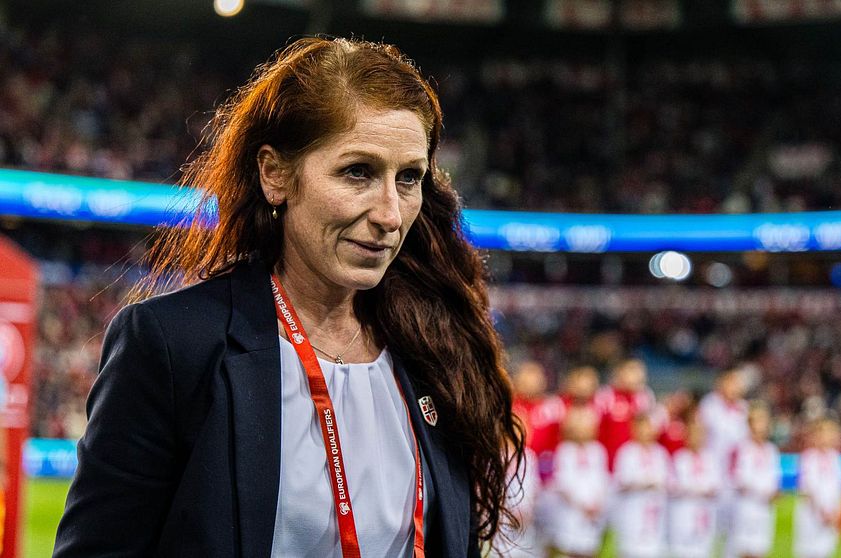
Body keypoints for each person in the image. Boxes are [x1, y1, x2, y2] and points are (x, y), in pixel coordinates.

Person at [53, 37, 524, 557]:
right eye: (358, 172)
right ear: (275, 175)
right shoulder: (173, 346)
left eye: (408, 178)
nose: (390, 214)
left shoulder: (436, 351)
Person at [698, 365, 749, 551]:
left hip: (734, 478)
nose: (736, 387)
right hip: (713, 473)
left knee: (733, 531)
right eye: (732, 382)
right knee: (708, 528)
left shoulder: (743, 409)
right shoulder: (709, 406)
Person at [548, 406, 609, 558]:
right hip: (571, 509)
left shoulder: (598, 451)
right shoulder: (564, 451)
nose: (583, 431)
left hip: (593, 510)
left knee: (589, 548)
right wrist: (581, 505)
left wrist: (596, 503)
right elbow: (563, 482)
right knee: (568, 548)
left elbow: (601, 479)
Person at [612, 412, 671, 558]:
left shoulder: (660, 453)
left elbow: (670, 481)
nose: (646, 432)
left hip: (655, 515)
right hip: (633, 514)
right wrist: (642, 484)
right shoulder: (627, 452)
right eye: (641, 428)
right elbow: (621, 481)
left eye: (649, 427)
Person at [728, 402, 780, 558]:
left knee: (761, 549)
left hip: (765, 508)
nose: (762, 426)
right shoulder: (742, 448)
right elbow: (738, 479)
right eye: (758, 421)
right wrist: (761, 492)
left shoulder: (771, 450)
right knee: (744, 549)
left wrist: (774, 492)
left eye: (764, 421)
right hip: (747, 506)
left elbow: (774, 477)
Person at [794, 417, 841, 558]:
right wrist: (822, 511)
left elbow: (838, 489)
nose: (826, 438)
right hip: (812, 516)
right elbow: (807, 488)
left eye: (830, 433)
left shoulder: (836, 459)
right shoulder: (808, 458)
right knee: (809, 552)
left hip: (830, 517)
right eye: (823, 434)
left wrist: (836, 513)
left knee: (826, 551)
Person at [670, 417, 720, 558]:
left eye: (700, 434)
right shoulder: (680, 458)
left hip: (704, 514)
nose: (697, 438)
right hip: (684, 515)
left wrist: (697, 489)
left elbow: (715, 485)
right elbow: (675, 485)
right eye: (693, 434)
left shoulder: (711, 459)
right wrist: (697, 489)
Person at [595, 358, 655, 469]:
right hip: (608, 459)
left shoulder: (645, 396)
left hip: (634, 462)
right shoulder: (605, 395)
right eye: (633, 370)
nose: (639, 375)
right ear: (619, 372)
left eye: (641, 371)